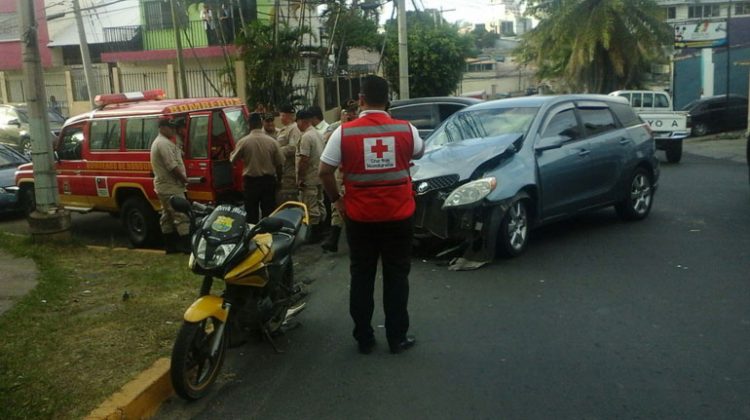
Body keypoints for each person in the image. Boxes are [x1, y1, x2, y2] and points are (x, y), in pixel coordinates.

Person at [319, 75, 424, 355]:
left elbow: (324, 171)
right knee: (396, 276)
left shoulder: (344, 133)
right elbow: (420, 152)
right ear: (387, 100)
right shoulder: (407, 129)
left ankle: (364, 338)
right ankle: (397, 338)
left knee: (362, 276)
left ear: (361, 99)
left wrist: (337, 200)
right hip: (399, 216)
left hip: (359, 217)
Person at [230, 112, 284, 224]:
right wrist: (279, 180)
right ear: (261, 124)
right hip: (268, 181)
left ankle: (252, 236)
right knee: (269, 213)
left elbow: (233, 160)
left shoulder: (243, 142)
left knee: (251, 214)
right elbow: (279, 164)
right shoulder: (272, 142)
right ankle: (268, 236)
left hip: (251, 183)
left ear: (249, 125)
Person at [320, 99, 359, 253]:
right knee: (337, 204)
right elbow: (325, 139)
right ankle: (334, 237)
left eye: (353, 112)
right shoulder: (336, 127)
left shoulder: (360, 128)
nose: (351, 114)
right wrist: (343, 127)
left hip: (354, 170)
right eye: (348, 112)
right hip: (339, 171)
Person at [150, 118, 191, 254]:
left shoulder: (164, 142)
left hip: (164, 186)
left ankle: (170, 247)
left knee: (167, 216)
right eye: (170, 127)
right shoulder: (163, 144)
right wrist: (184, 179)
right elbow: (172, 166)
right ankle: (186, 247)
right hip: (171, 186)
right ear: (162, 127)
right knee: (181, 215)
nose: (173, 130)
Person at [295, 109, 326, 242]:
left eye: (297, 121)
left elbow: (304, 159)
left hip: (310, 178)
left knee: (311, 206)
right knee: (320, 203)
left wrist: (301, 178)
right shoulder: (318, 134)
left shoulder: (306, 137)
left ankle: (315, 235)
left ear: (302, 121)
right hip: (319, 176)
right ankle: (323, 230)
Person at [276, 103, 302, 203]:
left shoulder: (294, 129)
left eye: (282, 115)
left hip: (290, 171)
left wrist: (277, 151)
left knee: (289, 198)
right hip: (283, 170)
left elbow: (293, 147)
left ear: (288, 116)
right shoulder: (284, 129)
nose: (280, 118)